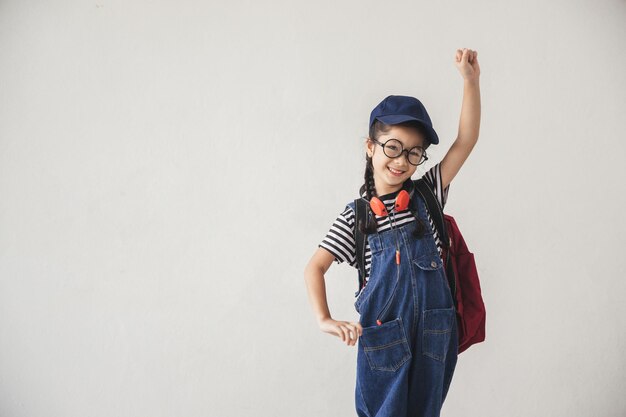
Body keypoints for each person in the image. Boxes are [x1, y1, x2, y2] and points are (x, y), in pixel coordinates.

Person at [303, 48, 481, 417]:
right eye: (393, 148)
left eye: (414, 153)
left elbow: (465, 141)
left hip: (435, 334)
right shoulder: (357, 218)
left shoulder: (428, 193)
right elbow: (314, 268)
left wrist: (470, 81)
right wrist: (324, 318)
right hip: (386, 343)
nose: (402, 161)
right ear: (370, 147)